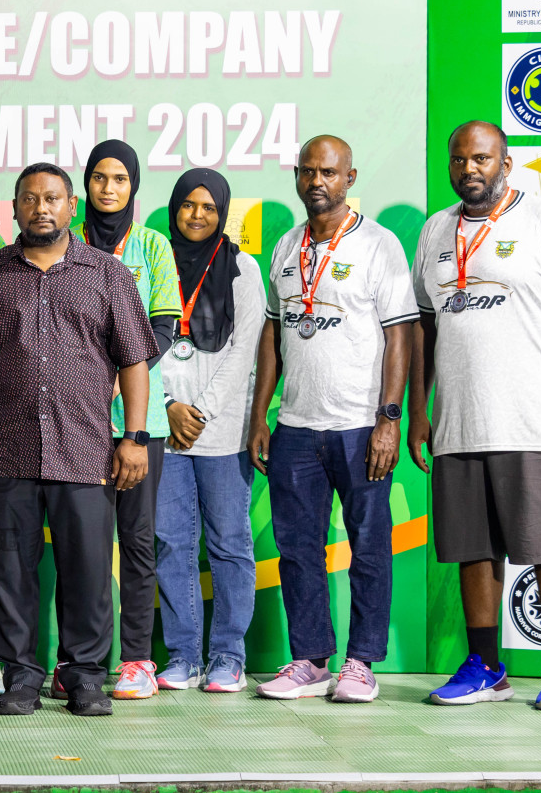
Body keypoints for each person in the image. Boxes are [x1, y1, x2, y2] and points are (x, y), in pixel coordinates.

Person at [0, 162, 157, 717]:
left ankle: (83, 677)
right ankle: (21, 677)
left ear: (71, 206)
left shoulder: (107, 274)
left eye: (52, 198)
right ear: (15, 208)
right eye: (30, 199)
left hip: (85, 449)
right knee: (9, 570)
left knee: (86, 571)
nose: (41, 208)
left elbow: (133, 359)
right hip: (5, 449)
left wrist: (133, 437)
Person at [412, 121, 541, 711]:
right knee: (474, 549)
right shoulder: (435, 231)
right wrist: (419, 411)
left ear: (506, 162)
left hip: (536, 419)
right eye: (459, 160)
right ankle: (485, 666)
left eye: (482, 159)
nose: (470, 169)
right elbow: (425, 327)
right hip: (460, 422)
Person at [248, 135, 416, 703]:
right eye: (307, 172)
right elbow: (272, 336)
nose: (316, 181)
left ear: (349, 178)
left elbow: (401, 336)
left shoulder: (380, 245)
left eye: (328, 172)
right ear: (296, 176)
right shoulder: (286, 245)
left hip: (360, 426)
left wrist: (388, 418)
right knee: (298, 549)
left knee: (369, 546)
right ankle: (310, 660)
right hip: (296, 426)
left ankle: (361, 662)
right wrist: (260, 416)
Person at [76, 140, 180, 701]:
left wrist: (123, 367)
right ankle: (85, 659)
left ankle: (138, 659)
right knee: (87, 544)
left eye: (120, 178)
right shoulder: (67, 247)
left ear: (133, 186)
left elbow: (164, 325)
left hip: (141, 424)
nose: (109, 188)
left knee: (137, 542)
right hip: (78, 423)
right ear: (85, 185)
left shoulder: (152, 246)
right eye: (99, 177)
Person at [154, 169, 264, 694]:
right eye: (188, 205)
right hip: (164, 426)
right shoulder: (155, 262)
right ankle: (182, 655)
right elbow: (140, 345)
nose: (197, 215)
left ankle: (227, 656)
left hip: (221, 432)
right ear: (175, 207)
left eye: (209, 207)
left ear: (222, 213)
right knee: (172, 543)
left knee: (229, 544)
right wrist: (170, 405)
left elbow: (245, 351)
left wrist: (200, 412)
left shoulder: (244, 268)